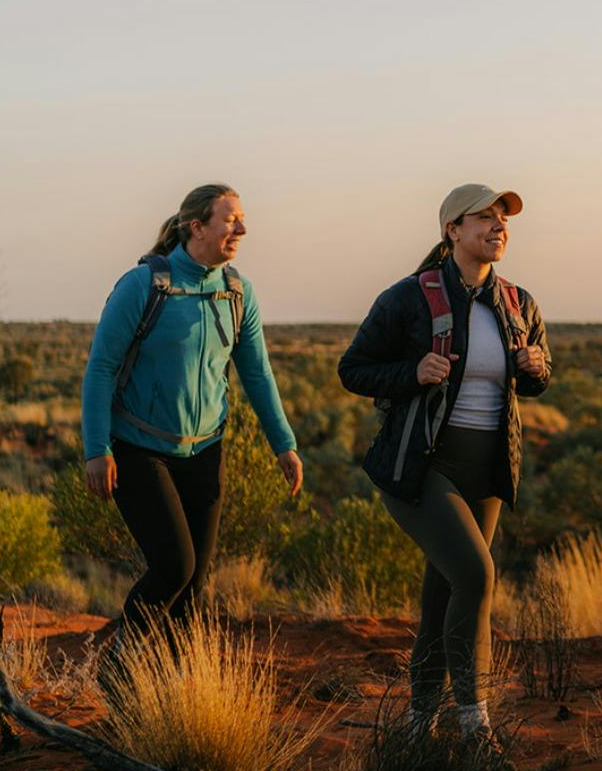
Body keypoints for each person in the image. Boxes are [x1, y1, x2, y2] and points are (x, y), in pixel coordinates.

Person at [338, 184, 551, 749]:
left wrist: (534, 367)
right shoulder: (409, 297)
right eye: (485, 217)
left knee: (443, 596)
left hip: (487, 472)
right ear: (452, 230)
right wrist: (412, 373)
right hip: (422, 465)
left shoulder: (518, 302)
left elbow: (536, 381)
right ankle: (476, 725)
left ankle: (419, 725)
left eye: (503, 219)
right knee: (477, 576)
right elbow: (353, 369)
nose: (499, 226)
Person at [81, 184, 304, 638]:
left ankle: (173, 676)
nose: (242, 229)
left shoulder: (238, 293)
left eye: (242, 219)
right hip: (139, 449)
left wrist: (284, 444)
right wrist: (96, 448)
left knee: (193, 586)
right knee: (174, 567)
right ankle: (120, 662)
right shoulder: (143, 286)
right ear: (197, 227)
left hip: (205, 451)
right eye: (231, 220)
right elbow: (101, 368)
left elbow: (257, 374)